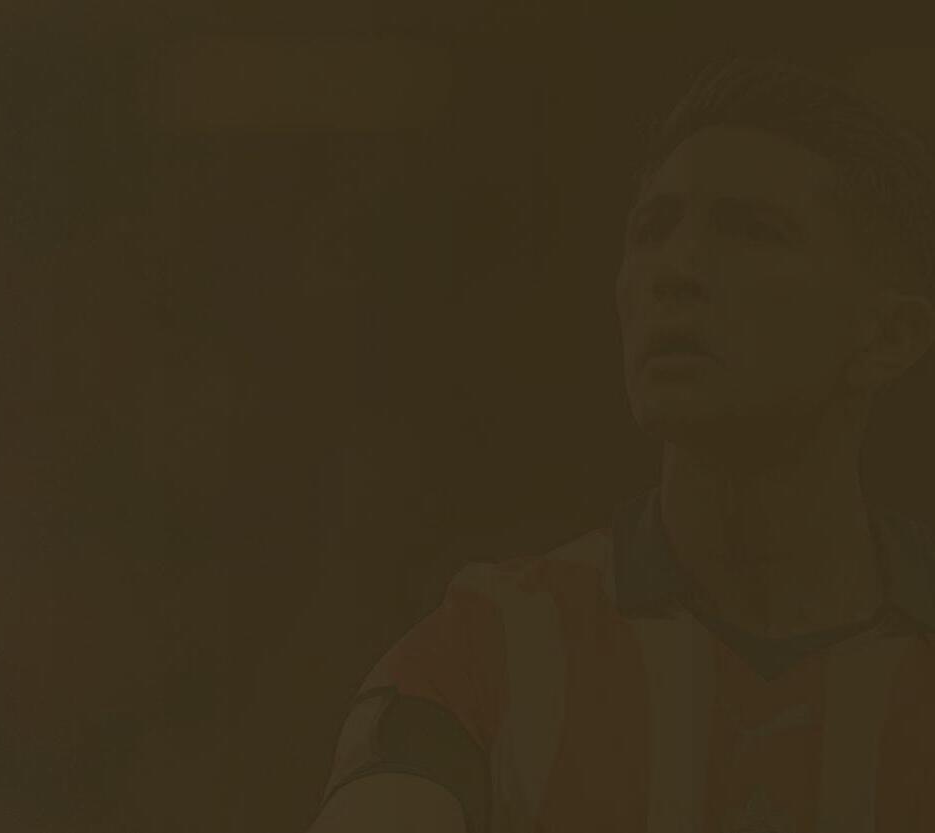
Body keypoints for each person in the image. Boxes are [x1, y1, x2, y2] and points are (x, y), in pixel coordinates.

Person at [307, 56, 935, 833]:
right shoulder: (489, 649)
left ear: (888, 335)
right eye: (651, 230)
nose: (674, 270)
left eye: (752, 230)